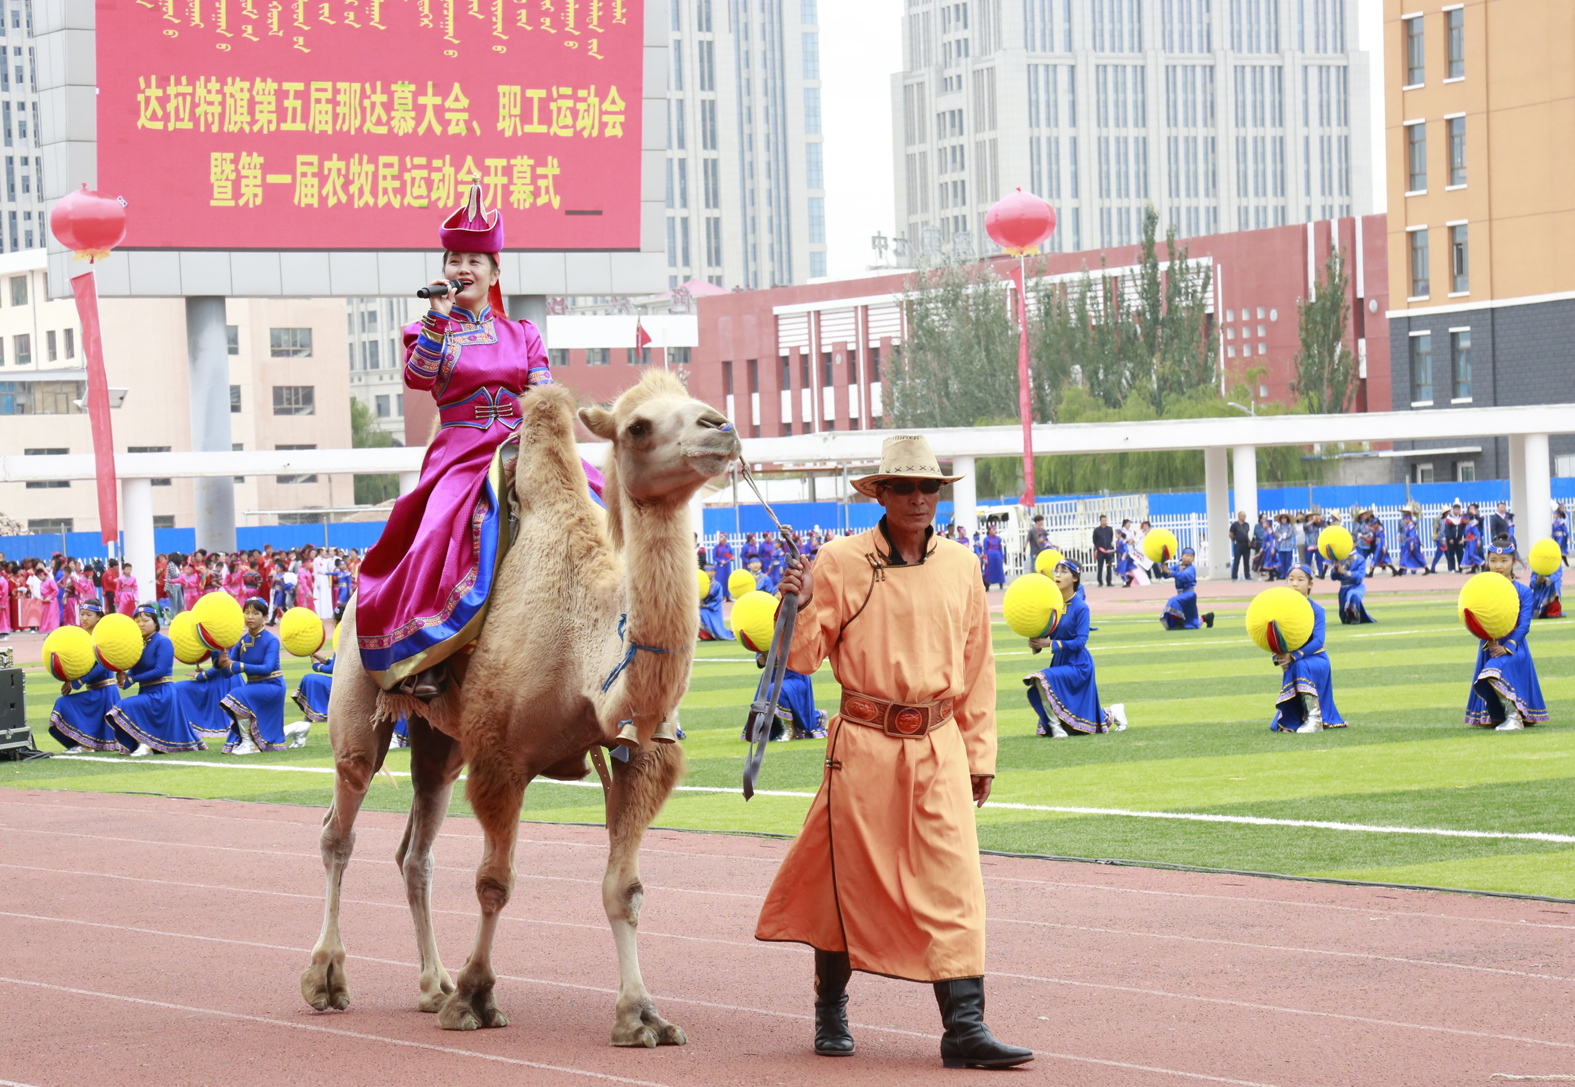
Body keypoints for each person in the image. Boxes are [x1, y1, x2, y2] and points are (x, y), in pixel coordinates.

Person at [756, 434, 1032, 1070]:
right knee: (845, 881)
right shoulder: (838, 561)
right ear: (880, 493)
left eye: (927, 487)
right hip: (864, 746)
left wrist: (980, 754)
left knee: (956, 883)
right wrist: (795, 603)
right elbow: (801, 659)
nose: (917, 498)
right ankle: (830, 1008)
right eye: (903, 487)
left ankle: (965, 1029)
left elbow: (978, 667)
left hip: (940, 745)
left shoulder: (962, 565)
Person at [355, 182, 605, 700]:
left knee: (602, 506)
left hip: (522, 445)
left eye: (474, 260)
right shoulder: (426, 328)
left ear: (494, 272)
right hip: (461, 454)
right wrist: (438, 317)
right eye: (454, 260)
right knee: (439, 531)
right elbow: (418, 377)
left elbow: (541, 391)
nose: (462, 268)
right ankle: (429, 653)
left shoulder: (523, 333)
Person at [1023, 559, 1126, 736]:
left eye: (1063, 571)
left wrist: (1050, 644)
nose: (1058, 575)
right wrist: (1036, 643)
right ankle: (1113, 712)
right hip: (1060, 661)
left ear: (1075, 578)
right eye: (1056, 571)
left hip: (1079, 664)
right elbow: (1046, 634)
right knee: (1074, 721)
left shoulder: (1081, 608)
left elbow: (1080, 642)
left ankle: (1055, 727)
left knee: (1040, 678)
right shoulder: (1051, 607)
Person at [1466, 538, 1549, 730]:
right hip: (1490, 645)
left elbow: (1524, 624)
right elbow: (1475, 618)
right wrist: (1489, 640)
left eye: (1504, 561)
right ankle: (1498, 715)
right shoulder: (1482, 590)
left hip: (1514, 646)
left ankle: (1515, 717)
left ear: (1513, 561)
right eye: (1493, 560)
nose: (1498, 566)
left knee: (1493, 672)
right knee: (1490, 674)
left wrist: (1507, 646)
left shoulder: (1523, 591)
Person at [108, 605, 207, 755]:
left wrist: (132, 679)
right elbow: (134, 669)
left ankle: (146, 744)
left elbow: (159, 671)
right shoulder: (137, 644)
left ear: (155, 622)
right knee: (127, 706)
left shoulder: (163, 642)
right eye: (137, 621)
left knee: (125, 705)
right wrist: (124, 679)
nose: (141, 624)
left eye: (145, 620)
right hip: (146, 691)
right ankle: (144, 743)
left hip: (162, 693)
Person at [210, 597, 299, 753]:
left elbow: (267, 668)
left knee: (237, 694)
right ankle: (298, 728)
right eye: (247, 613)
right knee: (265, 729)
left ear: (265, 616)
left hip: (272, 685)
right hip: (253, 686)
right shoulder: (242, 641)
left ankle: (249, 743)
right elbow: (227, 673)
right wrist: (220, 663)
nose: (250, 617)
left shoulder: (271, 640)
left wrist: (237, 665)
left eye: (256, 613)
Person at [1269, 565, 1347, 733]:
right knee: (1295, 665)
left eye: (1300, 580)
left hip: (1316, 659)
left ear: (1310, 584)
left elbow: (1318, 641)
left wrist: (1294, 656)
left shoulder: (1317, 610)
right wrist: (1279, 656)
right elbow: (1274, 635)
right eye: (1291, 579)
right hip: (1294, 659)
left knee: (1299, 665)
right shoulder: (1280, 610)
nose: (1294, 583)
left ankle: (1315, 719)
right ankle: (1293, 718)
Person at [46, 599, 122, 752]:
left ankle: (86, 745)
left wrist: (79, 681)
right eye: (82, 614)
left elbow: (103, 664)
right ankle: (85, 744)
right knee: (64, 703)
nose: (84, 618)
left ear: (99, 617)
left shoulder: (102, 637)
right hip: (94, 691)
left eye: (89, 615)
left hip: (105, 692)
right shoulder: (82, 636)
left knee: (63, 703)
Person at [1158, 548, 1215, 629]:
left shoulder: (1191, 568)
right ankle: (1206, 617)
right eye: (1187, 555)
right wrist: (1164, 569)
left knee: (1174, 600)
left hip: (1189, 594)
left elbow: (1184, 576)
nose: (1189, 558)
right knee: (1191, 620)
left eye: (1191, 556)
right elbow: (1166, 575)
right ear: (1181, 556)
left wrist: (1169, 572)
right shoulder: (1177, 566)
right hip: (1181, 594)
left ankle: (1178, 624)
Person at [1334, 552, 1375, 624]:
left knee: (1353, 596)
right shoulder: (1341, 557)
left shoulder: (1359, 558)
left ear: (1355, 545)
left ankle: (1356, 616)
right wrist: (1336, 568)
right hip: (1343, 589)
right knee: (1344, 619)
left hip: (1356, 587)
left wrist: (1345, 573)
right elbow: (1333, 577)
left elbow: (1360, 577)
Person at [697, 565, 733, 641]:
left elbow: (717, 600)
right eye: (707, 571)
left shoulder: (717, 585)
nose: (709, 573)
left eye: (712, 571)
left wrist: (704, 606)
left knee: (701, 613)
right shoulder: (699, 585)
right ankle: (704, 636)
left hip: (713, 609)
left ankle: (708, 636)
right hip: (701, 607)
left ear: (715, 573)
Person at [1397, 510, 1429, 575]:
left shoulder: (1411, 526)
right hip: (1408, 542)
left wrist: (1412, 544)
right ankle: (1401, 570)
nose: (1404, 521)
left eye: (1405, 520)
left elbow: (1412, 536)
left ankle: (1426, 569)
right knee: (1405, 555)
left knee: (1417, 555)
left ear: (1408, 519)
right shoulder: (1408, 526)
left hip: (1413, 543)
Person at [980, 525, 1006, 589]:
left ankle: (1001, 583)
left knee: (999, 569)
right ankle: (987, 584)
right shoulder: (986, 539)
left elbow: (1000, 548)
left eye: (995, 530)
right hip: (990, 555)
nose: (994, 531)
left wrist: (1002, 557)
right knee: (989, 570)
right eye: (993, 530)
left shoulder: (998, 539)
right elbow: (985, 549)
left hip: (997, 555)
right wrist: (985, 557)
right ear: (989, 531)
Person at [1091, 515, 1114, 587]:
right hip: (1100, 551)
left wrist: (1108, 547)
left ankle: (1109, 582)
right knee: (1100, 567)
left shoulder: (1109, 529)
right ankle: (1100, 582)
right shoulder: (1096, 530)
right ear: (1100, 521)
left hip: (1108, 550)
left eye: (1105, 520)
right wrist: (1098, 546)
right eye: (1103, 520)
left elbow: (1111, 538)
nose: (1104, 521)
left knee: (1109, 567)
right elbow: (1094, 540)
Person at [1229, 511, 1252, 581]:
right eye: (1243, 516)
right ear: (1239, 516)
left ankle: (1247, 576)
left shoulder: (1247, 525)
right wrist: (1234, 539)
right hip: (1238, 544)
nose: (1244, 517)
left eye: (1245, 516)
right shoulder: (1234, 525)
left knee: (1246, 561)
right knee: (1236, 561)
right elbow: (1231, 534)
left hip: (1246, 545)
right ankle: (1234, 576)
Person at [714, 532, 736, 596]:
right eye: (721, 537)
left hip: (727, 566)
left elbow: (731, 555)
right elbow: (714, 557)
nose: (722, 539)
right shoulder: (717, 547)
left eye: (723, 537)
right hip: (720, 566)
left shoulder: (728, 546)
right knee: (720, 579)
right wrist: (720, 561)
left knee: (727, 579)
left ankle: (727, 595)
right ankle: (720, 595)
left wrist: (732, 558)